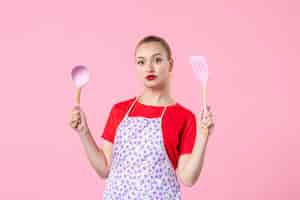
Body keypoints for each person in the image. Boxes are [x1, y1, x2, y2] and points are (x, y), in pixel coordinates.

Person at [69, 35, 214, 199]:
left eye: (157, 60)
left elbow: (188, 179)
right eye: (141, 62)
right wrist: (83, 132)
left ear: (170, 64)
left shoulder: (184, 117)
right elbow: (104, 169)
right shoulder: (119, 110)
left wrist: (203, 136)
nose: (149, 68)